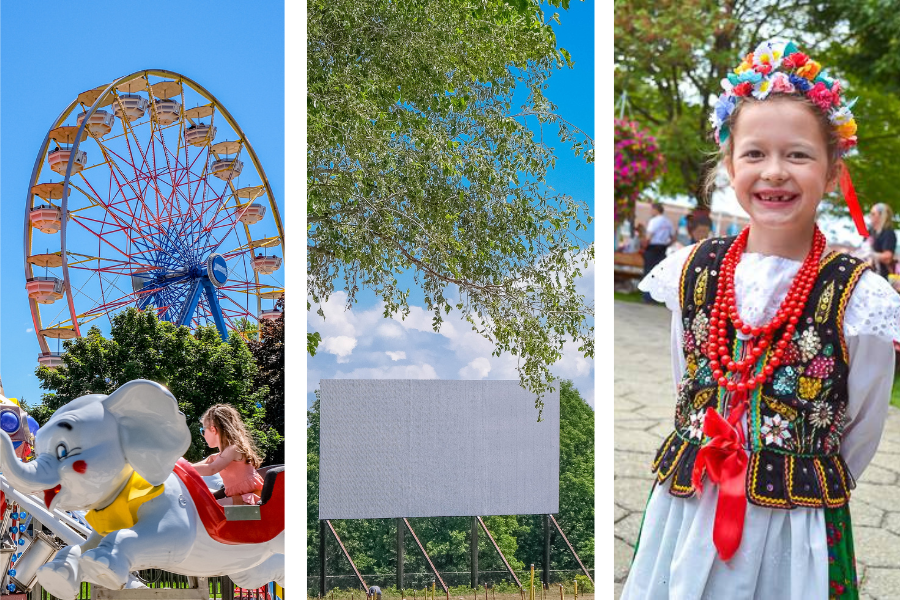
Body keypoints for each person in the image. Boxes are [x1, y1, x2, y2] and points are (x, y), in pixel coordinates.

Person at [622, 40, 900, 599]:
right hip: (689, 502)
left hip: (792, 521)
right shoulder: (692, 271)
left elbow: (863, 423)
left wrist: (794, 472)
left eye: (798, 154)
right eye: (754, 154)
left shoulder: (858, 295)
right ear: (730, 166)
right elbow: (690, 378)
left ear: (830, 171)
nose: (774, 172)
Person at [191, 404, 265, 505]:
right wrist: (180, 466)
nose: (203, 435)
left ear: (213, 429)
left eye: (203, 431)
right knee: (204, 503)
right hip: (239, 498)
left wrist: (177, 468)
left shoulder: (233, 449)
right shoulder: (218, 456)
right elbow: (192, 467)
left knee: (209, 507)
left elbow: (212, 468)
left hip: (250, 498)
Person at [642, 202, 675, 302]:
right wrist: (667, 244)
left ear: (656, 210)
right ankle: (656, 297)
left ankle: (647, 296)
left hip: (652, 247)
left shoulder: (654, 221)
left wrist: (644, 246)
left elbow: (649, 236)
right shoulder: (668, 222)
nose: (651, 211)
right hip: (662, 248)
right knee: (659, 272)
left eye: (652, 209)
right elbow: (673, 237)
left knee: (648, 271)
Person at [868, 202, 896, 278]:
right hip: (869, 273)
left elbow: (888, 257)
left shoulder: (888, 233)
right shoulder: (871, 231)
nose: (870, 216)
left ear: (882, 216)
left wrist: (871, 254)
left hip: (881, 276)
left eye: (873, 214)